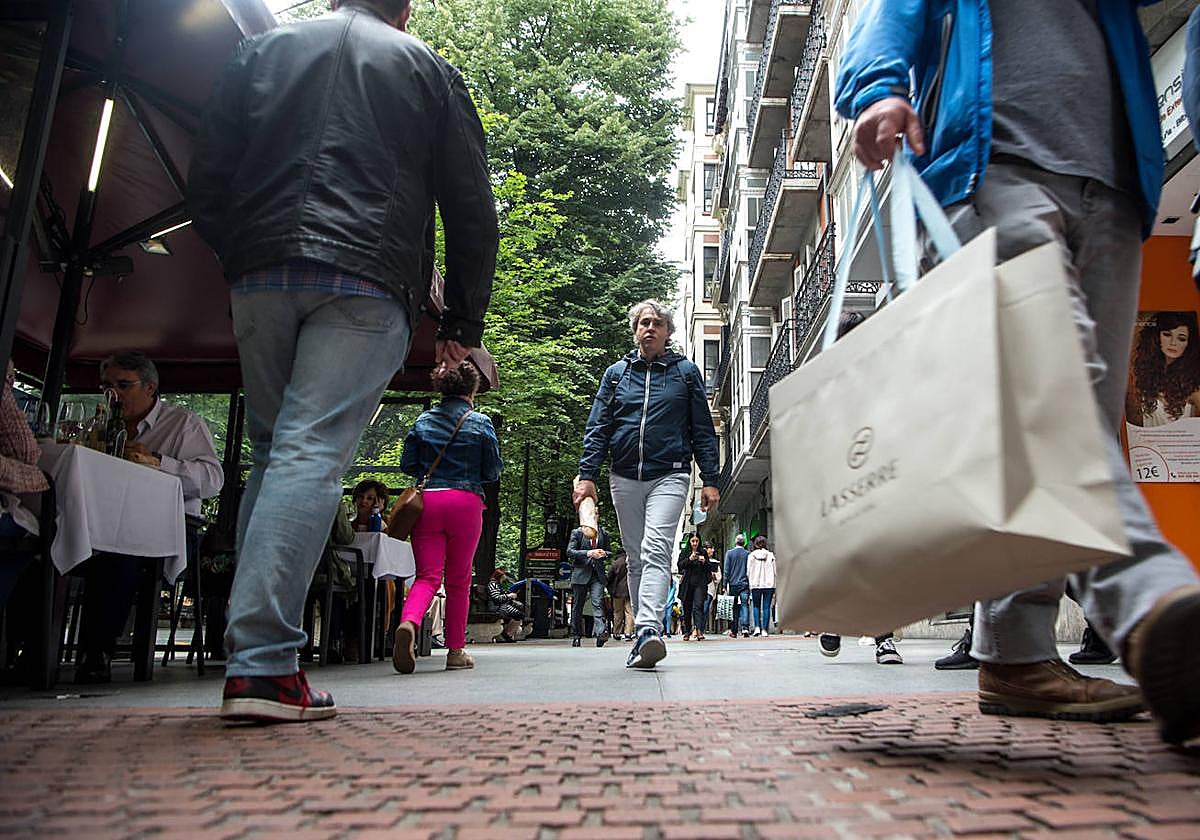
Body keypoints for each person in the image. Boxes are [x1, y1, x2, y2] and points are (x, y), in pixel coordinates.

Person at [836, 0, 1200, 744]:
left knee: (1076, 425)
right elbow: (890, 16)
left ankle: (1016, 653)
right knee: (1051, 406)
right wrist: (879, 89)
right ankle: (1151, 605)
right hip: (990, 173)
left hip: (1116, 185)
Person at [189, 0, 497, 722]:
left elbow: (207, 177)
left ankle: (257, 661)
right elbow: (471, 207)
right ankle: (263, 665)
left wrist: (241, 251)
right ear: (407, 11)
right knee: (309, 452)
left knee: (274, 450)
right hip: (366, 279)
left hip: (260, 272)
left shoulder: (261, 54)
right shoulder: (430, 72)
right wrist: (460, 323)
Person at [573, 299, 721, 669]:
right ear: (635, 330)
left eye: (656, 323)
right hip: (623, 475)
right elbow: (598, 427)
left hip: (671, 472)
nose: (649, 328)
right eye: (643, 322)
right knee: (636, 556)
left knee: (656, 548)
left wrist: (710, 479)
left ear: (668, 332)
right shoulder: (616, 374)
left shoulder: (686, 373)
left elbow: (702, 428)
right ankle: (643, 635)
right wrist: (587, 474)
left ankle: (649, 630)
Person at [75, 352, 223, 683]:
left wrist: (158, 461)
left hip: (169, 526)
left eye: (123, 385)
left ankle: (97, 651)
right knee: (42, 539)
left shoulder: (183, 424)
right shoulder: (99, 425)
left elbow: (213, 480)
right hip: (101, 518)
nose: (113, 394)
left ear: (150, 387)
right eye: (107, 386)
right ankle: (26, 646)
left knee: (120, 550)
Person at [391, 363, 502, 675]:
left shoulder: (423, 420)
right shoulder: (480, 422)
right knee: (459, 580)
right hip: (465, 503)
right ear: (472, 391)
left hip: (427, 503)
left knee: (427, 576)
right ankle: (455, 651)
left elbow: (408, 464)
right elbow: (492, 471)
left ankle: (409, 623)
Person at [1125, 312, 1200, 427]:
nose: (1173, 343)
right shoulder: (1141, 375)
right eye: (1167, 334)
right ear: (1157, 337)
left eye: (1181, 338)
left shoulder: (1192, 383)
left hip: (1182, 442)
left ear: (1188, 344)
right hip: (1145, 442)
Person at [566, 521, 612, 647]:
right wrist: (588, 553)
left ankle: (601, 633)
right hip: (580, 574)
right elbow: (570, 551)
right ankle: (576, 635)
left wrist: (604, 554)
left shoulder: (603, 533)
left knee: (597, 603)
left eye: (596, 513)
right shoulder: (578, 532)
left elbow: (609, 551)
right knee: (577, 606)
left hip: (597, 575)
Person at [677, 534, 709, 641]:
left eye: (697, 541)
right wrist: (689, 559)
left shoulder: (703, 552)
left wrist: (704, 561)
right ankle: (687, 631)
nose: (695, 543)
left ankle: (699, 629)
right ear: (689, 542)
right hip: (687, 584)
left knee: (698, 606)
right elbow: (680, 565)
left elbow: (709, 567)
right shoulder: (685, 552)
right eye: (693, 541)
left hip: (700, 583)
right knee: (687, 607)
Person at [746, 536, 776, 637]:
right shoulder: (770, 555)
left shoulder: (751, 556)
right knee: (766, 606)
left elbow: (748, 571)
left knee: (756, 606)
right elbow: (775, 571)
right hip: (768, 584)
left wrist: (750, 582)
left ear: (755, 544)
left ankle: (757, 627)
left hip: (755, 584)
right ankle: (765, 630)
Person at [723, 534, 751, 638]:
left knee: (734, 607)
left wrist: (725, 584)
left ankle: (734, 631)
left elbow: (726, 570)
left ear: (736, 542)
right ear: (744, 543)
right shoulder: (748, 554)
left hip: (733, 584)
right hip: (744, 583)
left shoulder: (729, 554)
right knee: (745, 605)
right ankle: (745, 628)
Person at [487, 569, 526, 643]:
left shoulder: (497, 584)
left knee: (519, 613)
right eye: (502, 578)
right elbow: (496, 598)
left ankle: (507, 633)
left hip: (500, 605)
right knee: (519, 615)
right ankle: (507, 634)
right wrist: (509, 596)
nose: (503, 580)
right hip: (497, 607)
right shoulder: (493, 584)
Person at [607, 550, 634, 641]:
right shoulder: (631, 562)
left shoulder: (616, 563)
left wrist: (610, 589)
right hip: (630, 591)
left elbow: (609, 577)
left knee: (618, 612)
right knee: (629, 612)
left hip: (617, 592)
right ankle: (628, 633)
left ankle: (616, 632)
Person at [703, 542, 721, 633]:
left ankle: (700, 628)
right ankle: (698, 627)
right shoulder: (700, 559)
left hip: (710, 589)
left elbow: (719, 577)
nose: (713, 550)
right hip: (700, 588)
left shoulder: (715, 562)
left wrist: (713, 575)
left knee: (705, 608)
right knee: (699, 608)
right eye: (711, 548)